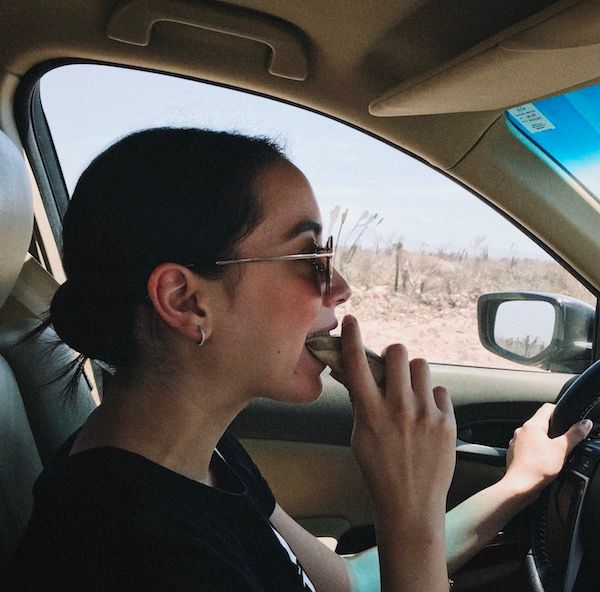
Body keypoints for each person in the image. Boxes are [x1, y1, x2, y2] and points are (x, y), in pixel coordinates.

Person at [11, 128, 592, 592]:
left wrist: (517, 485)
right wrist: (410, 506)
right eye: (310, 258)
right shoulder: (131, 552)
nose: (339, 287)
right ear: (185, 300)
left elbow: (349, 581)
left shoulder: (203, 459)